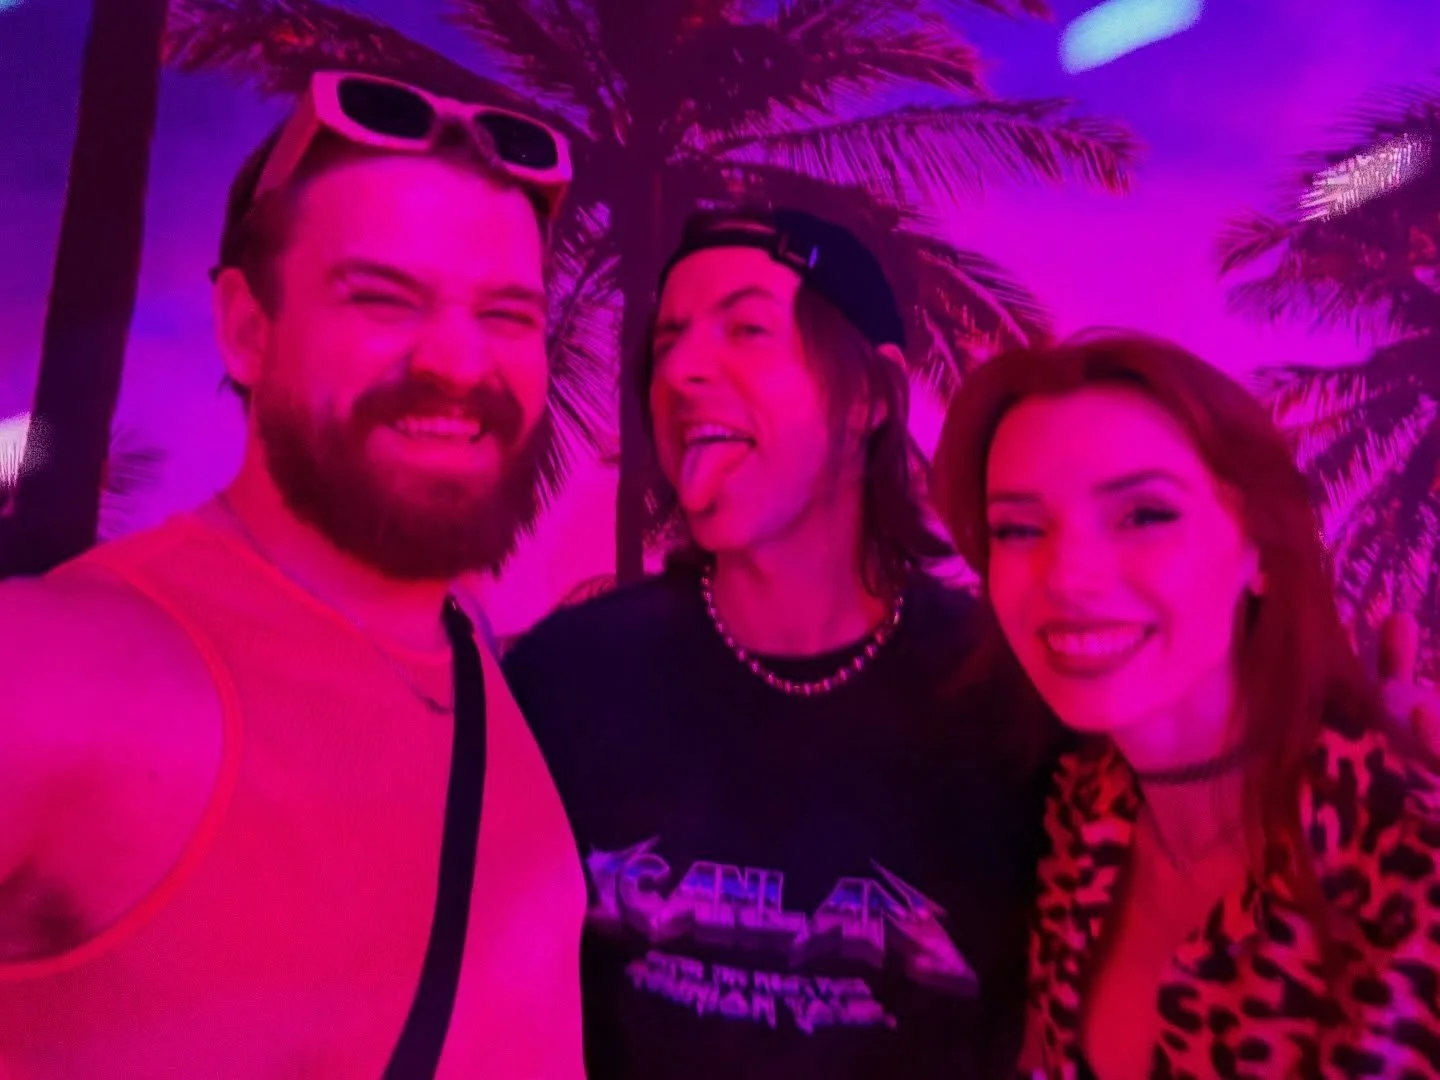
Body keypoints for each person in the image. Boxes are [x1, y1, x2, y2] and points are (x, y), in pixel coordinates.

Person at [0, 72, 585, 1078]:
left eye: (507, 314)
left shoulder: (474, 652)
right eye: (383, 298)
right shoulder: (69, 664)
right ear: (247, 328)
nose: (459, 360)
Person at [501, 207, 1054, 1078]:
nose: (681, 370)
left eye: (747, 329)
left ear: (870, 398)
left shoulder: (1001, 694)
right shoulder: (567, 678)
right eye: (668, 341)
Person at [931, 331, 1440, 1079]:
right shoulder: (1082, 809)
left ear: (1259, 550)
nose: (1067, 577)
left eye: (1144, 515)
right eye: (1018, 528)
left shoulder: (1410, 876)